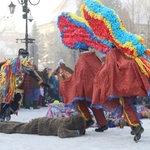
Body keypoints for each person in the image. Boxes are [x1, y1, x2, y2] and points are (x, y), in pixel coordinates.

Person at [59, 48, 108, 132]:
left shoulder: (82, 59)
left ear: (79, 50)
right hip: (95, 87)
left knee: (79, 102)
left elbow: (78, 75)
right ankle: (103, 123)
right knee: (94, 105)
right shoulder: (94, 58)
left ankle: (88, 119)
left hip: (84, 87)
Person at [0, 48, 49, 121]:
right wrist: (41, 81)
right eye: (25, 56)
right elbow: (32, 72)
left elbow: (2, 64)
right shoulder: (25, 62)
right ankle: (7, 111)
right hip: (14, 85)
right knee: (16, 100)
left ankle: (3, 114)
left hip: (7, 85)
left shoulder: (10, 61)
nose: (25, 58)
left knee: (7, 100)